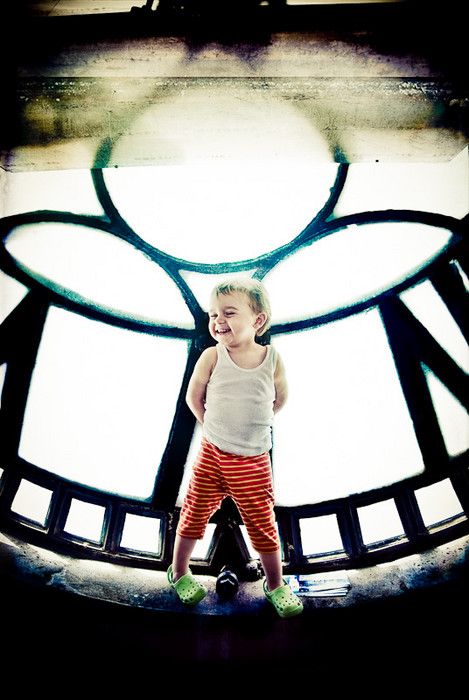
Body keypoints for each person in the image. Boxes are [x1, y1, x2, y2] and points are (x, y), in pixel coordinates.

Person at [167, 277, 303, 618]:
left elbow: (279, 398)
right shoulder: (212, 356)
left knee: (262, 524)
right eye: (213, 314)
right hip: (212, 455)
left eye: (228, 312)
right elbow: (193, 397)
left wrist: (253, 426)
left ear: (258, 320)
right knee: (194, 512)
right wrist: (213, 427)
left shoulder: (272, 359)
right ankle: (179, 571)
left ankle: (275, 584)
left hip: (253, 461)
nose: (218, 320)